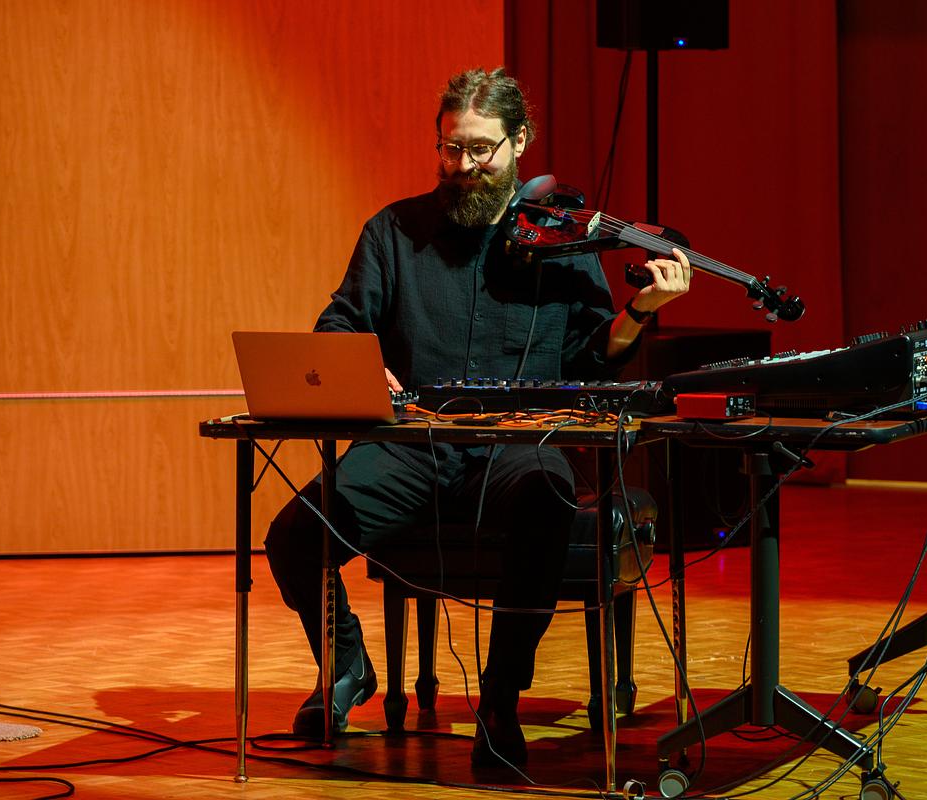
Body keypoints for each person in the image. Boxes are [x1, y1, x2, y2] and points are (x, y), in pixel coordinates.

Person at [263, 67, 691, 769]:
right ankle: (346, 664)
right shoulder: (394, 232)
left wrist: (640, 310)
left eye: (481, 150)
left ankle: (499, 699)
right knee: (294, 533)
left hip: (517, 444)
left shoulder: (564, 242)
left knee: (548, 494)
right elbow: (340, 323)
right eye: (451, 149)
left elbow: (590, 360)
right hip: (415, 446)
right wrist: (362, 364)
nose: (463, 167)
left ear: (519, 140)